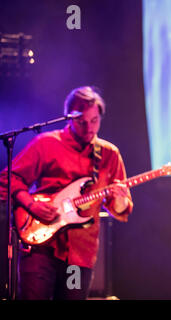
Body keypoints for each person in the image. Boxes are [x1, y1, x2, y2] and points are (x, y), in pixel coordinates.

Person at [0, 86, 133, 300]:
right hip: (40, 248)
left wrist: (118, 198)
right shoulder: (47, 144)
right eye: (82, 121)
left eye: (95, 120)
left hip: (80, 256)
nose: (89, 128)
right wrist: (31, 205)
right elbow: (9, 178)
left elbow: (122, 208)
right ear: (69, 118)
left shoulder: (109, 155)